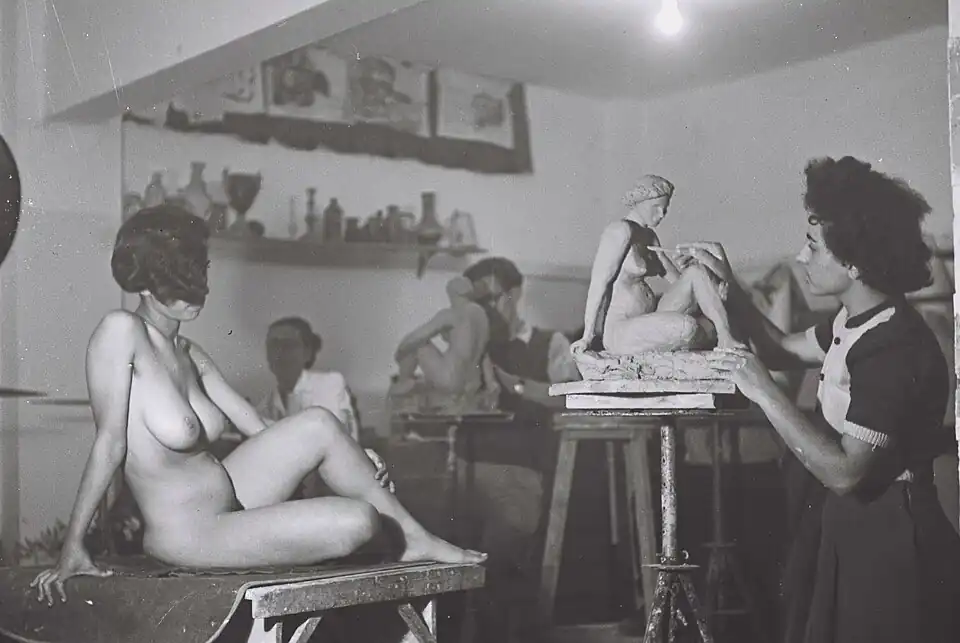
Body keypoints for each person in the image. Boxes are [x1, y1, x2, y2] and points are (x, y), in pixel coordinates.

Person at [31, 205, 484, 606]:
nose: (198, 294)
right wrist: (73, 547)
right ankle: (397, 538)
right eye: (181, 284)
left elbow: (262, 429)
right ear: (145, 284)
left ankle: (416, 539)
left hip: (234, 497)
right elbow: (109, 444)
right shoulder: (120, 332)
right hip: (188, 533)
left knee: (319, 422)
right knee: (359, 520)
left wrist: (353, 456)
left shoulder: (188, 352)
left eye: (200, 275)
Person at [689, 156, 960, 643]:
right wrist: (728, 286)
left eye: (813, 246)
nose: (801, 257)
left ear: (855, 263)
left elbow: (845, 472)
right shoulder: (855, 321)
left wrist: (764, 390)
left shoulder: (893, 346)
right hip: (853, 523)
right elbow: (779, 348)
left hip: (892, 534)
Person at [460, 257, 581, 641]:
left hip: (522, 473)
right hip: (465, 473)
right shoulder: (471, 346)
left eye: (489, 300)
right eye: (474, 304)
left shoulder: (550, 344)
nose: (481, 312)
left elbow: (572, 397)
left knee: (496, 571)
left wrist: (514, 384)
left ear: (514, 295)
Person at [574, 174, 742, 356]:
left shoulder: (649, 236)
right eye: (656, 208)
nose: (661, 214)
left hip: (647, 318)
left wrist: (710, 290)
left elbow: (675, 278)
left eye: (665, 210)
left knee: (695, 271)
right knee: (688, 327)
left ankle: (726, 337)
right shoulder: (619, 231)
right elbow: (599, 283)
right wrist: (587, 336)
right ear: (640, 202)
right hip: (621, 331)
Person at [390, 275, 493, 401]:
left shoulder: (452, 314)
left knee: (418, 344)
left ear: (454, 294)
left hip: (451, 380)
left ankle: (404, 382)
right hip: (471, 381)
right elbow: (482, 350)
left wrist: (400, 351)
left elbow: (416, 336)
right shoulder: (481, 314)